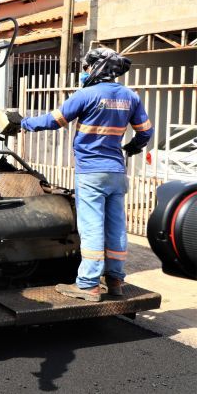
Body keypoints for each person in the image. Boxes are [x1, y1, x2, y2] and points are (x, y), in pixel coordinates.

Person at [21, 47, 153, 302]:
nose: (84, 72)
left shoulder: (86, 95)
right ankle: (115, 280)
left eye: (87, 67)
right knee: (116, 228)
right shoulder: (130, 96)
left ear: (97, 68)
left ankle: (88, 285)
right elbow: (145, 132)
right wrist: (132, 147)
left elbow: (53, 120)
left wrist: (23, 123)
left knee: (91, 227)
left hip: (91, 172)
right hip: (116, 172)